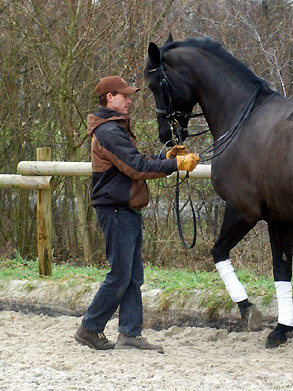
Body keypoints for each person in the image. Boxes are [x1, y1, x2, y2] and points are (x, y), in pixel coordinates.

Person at [74, 76, 199, 353]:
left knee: (131, 276)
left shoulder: (115, 129)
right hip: (117, 209)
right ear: (110, 98)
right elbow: (135, 167)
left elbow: (135, 160)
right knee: (120, 275)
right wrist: (175, 164)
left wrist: (165, 158)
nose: (129, 101)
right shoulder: (108, 132)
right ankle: (89, 328)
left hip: (124, 209)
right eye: (124, 96)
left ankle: (129, 333)